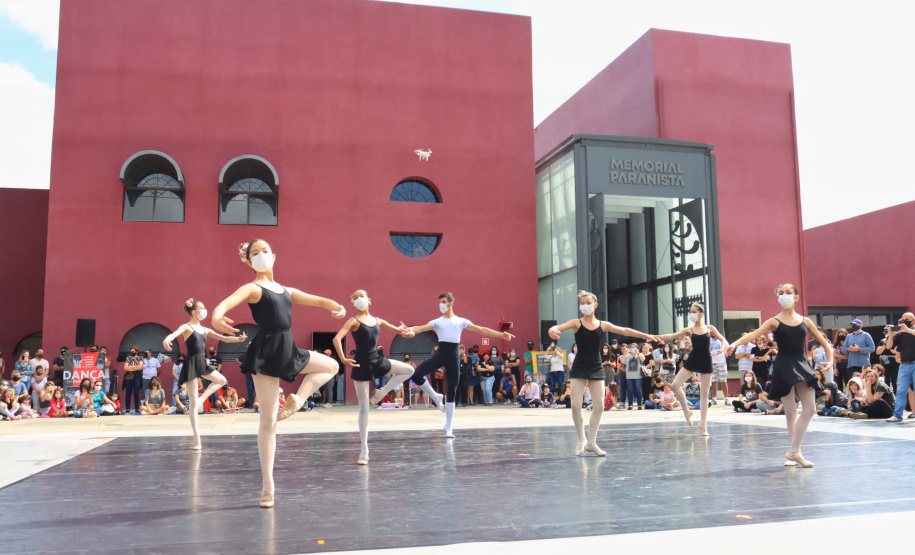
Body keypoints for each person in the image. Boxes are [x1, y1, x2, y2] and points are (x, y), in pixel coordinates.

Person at [212, 239, 345, 508]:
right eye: (254, 253)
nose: (260, 256)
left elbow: (318, 300)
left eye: (264, 251)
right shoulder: (252, 288)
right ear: (248, 262)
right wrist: (216, 317)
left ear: (274, 256)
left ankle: (298, 399)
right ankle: (267, 487)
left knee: (332, 366)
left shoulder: (286, 290)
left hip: (289, 348)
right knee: (268, 421)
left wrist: (336, 306)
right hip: (265, 351)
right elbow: (226, 304)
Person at [727, 283, 832, 468]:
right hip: (783, 365)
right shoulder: (774, 321)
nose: (784, 296)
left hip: (801, 363)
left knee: (810, 409)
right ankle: (795, 452)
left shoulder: (805, 321)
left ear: (796, 297)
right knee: (790, 412)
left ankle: (794, 450)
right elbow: (754, 335)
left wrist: (830, 360)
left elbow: (824, 342)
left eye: (788, 293)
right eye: (781, 293)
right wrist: (734, 344)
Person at [549, 290, 657, 456]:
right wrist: (552, 329)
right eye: (582, 303)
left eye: (588, 303)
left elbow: (624, 330)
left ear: (595, 305)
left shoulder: (602, 325)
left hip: (596, 366)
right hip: (579, 366)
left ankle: (592, 442)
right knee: (576, 406)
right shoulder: (576, 323)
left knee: (598, 406)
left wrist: (645, 335)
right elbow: (558, 327)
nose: (584, 306)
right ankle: (582, 440)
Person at [401, 292, 514, 438]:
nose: (440, 304)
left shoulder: (461, 321)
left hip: (454, 356)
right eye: (439, 302)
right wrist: (410, 330)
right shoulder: (437, 321)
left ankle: (449, 426)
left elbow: (481, 329)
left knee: (452, 390)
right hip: (441, 353)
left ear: (451, 303)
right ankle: (435, 396)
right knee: (416, 374)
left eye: (443, 301)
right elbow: (421, 328)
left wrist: (500, 335)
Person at [332, 289, 414, 465]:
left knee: (409, 370)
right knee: (364, 408)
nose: (359, 299)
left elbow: (397, 330)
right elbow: (337, 339)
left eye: (362, 296)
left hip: (377, 359)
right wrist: (343, 359)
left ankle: (381, 393)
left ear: (369, 300)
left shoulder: (378, 320)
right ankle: (364, 450)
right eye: (355, 298)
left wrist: (404, 331)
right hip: (360, 363)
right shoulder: (353, 321)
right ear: (352, 302)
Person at [163, 298, 247, 446]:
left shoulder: (205, 329)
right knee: (193, 403)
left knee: (221, 380)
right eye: (202, 308)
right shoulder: (187, 327)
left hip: (201, 362)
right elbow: (175, 334)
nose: (205, 310)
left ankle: (203, 399)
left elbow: (224, 339)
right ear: (194, 312)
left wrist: (238, 339)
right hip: (190, 362)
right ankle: (197, 438)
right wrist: (167, 339)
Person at [656, 303, 727, 437]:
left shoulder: (709, 328)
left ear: (701, 314)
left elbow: (723, 340)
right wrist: (654, 337)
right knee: (675, 385)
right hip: (693, 359)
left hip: (706, 359)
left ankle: (703, 424)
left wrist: (721, 349)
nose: (691, 314)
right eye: (690, 311)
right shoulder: (690, 329)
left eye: (693, 312)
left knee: (704, 395)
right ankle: (686, 411)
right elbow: (671, 336)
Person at [885, 314, 915, 422]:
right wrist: (890, 335)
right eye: (903, 319)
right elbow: (889, 346)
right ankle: (897, 415)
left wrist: (907, 329)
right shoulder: (900, 334)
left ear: (913, 321)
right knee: (901, 391)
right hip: (904, 365)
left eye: (907, 319)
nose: (904, 321)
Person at [122, 346, 143, 414]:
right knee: (128, 392)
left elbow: (140, 367)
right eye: (131, 351)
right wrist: (135, 367)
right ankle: (127, 408)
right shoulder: (128, 358)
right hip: (129, 376)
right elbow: (125, 368)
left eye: (133, 352)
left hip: (137, 376)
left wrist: (130, 367)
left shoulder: (140, 358)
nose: (132, 353)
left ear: (137, 352)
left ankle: (137, 408)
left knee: (136, 392)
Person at [708, 335, 728, 403]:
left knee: (723, 381)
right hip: (711, 362)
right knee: (713, 381)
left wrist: (726, 353)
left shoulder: (722, 340)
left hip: (721, 363)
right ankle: (714, 398)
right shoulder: (708, 340)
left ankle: (726, 398)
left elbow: (727, 350)